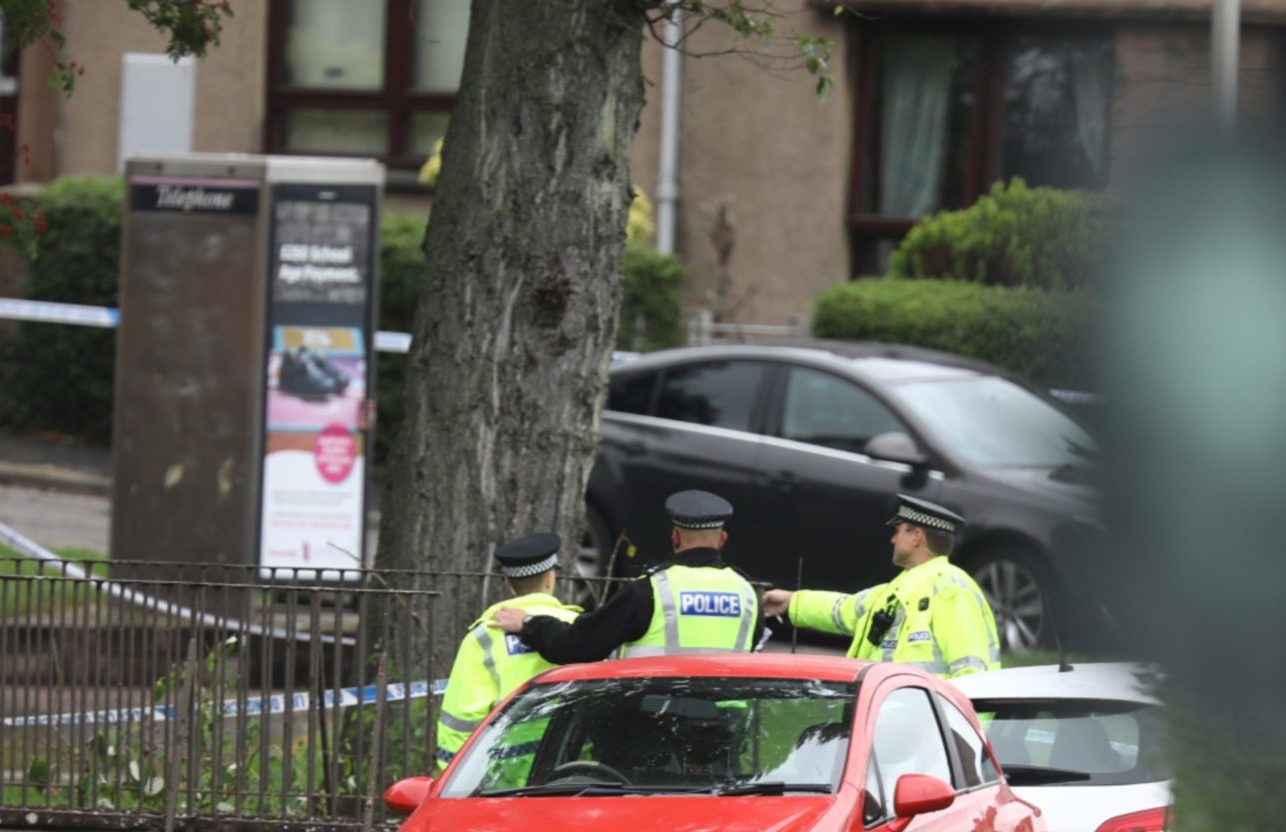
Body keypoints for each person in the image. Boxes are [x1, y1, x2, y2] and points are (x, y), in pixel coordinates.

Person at [491, 489, 763, 662]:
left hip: (655, 722)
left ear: (675, 537)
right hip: (726, 729)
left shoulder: (651, 592)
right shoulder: (748, 594)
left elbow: (580, 644)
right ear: (722, 539)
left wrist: (528, 624)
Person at [762, 494, 999, 678]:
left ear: (916, 536)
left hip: (932, 733)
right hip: (893, 725)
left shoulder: (952, 589)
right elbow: (843, 610)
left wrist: (961, 737)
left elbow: (971, 670)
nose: (892, 540)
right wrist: (791, 602)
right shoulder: (895, 591)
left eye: (898, 532)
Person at [434, 532, 581, 770]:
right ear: (549, 577)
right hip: (571, 771)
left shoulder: (483, 637)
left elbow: (462, 719)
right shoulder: (580, 629)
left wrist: (454, 778)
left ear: (508, 583)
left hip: (502, 779)